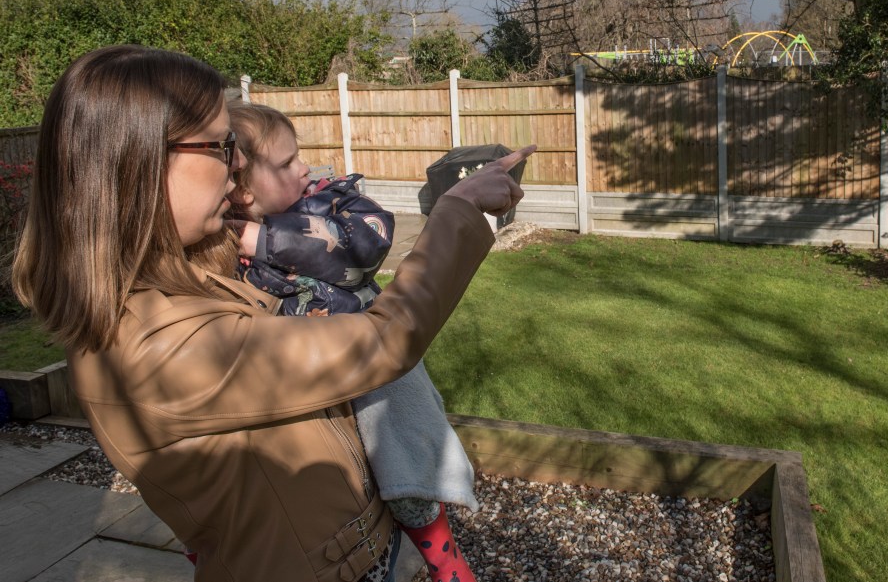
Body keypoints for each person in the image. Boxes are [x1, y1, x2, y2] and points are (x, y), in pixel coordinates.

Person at [11, 44, 534, 582]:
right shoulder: (162, 345)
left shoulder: (185, 277)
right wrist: (459, 209)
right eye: (221, 145)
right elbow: (385, 340)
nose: (238, 163)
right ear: (139, 163)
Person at [226, 99, 479, 582]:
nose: (304, 168)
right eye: (285, 164)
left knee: (405, 469)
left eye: (298, 155)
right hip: (299, 384)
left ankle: (446, 563)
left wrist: (265, 240)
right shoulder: (217, 239)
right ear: (240, 190)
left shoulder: (329, 198)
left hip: (368, 358)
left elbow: (367, 243)